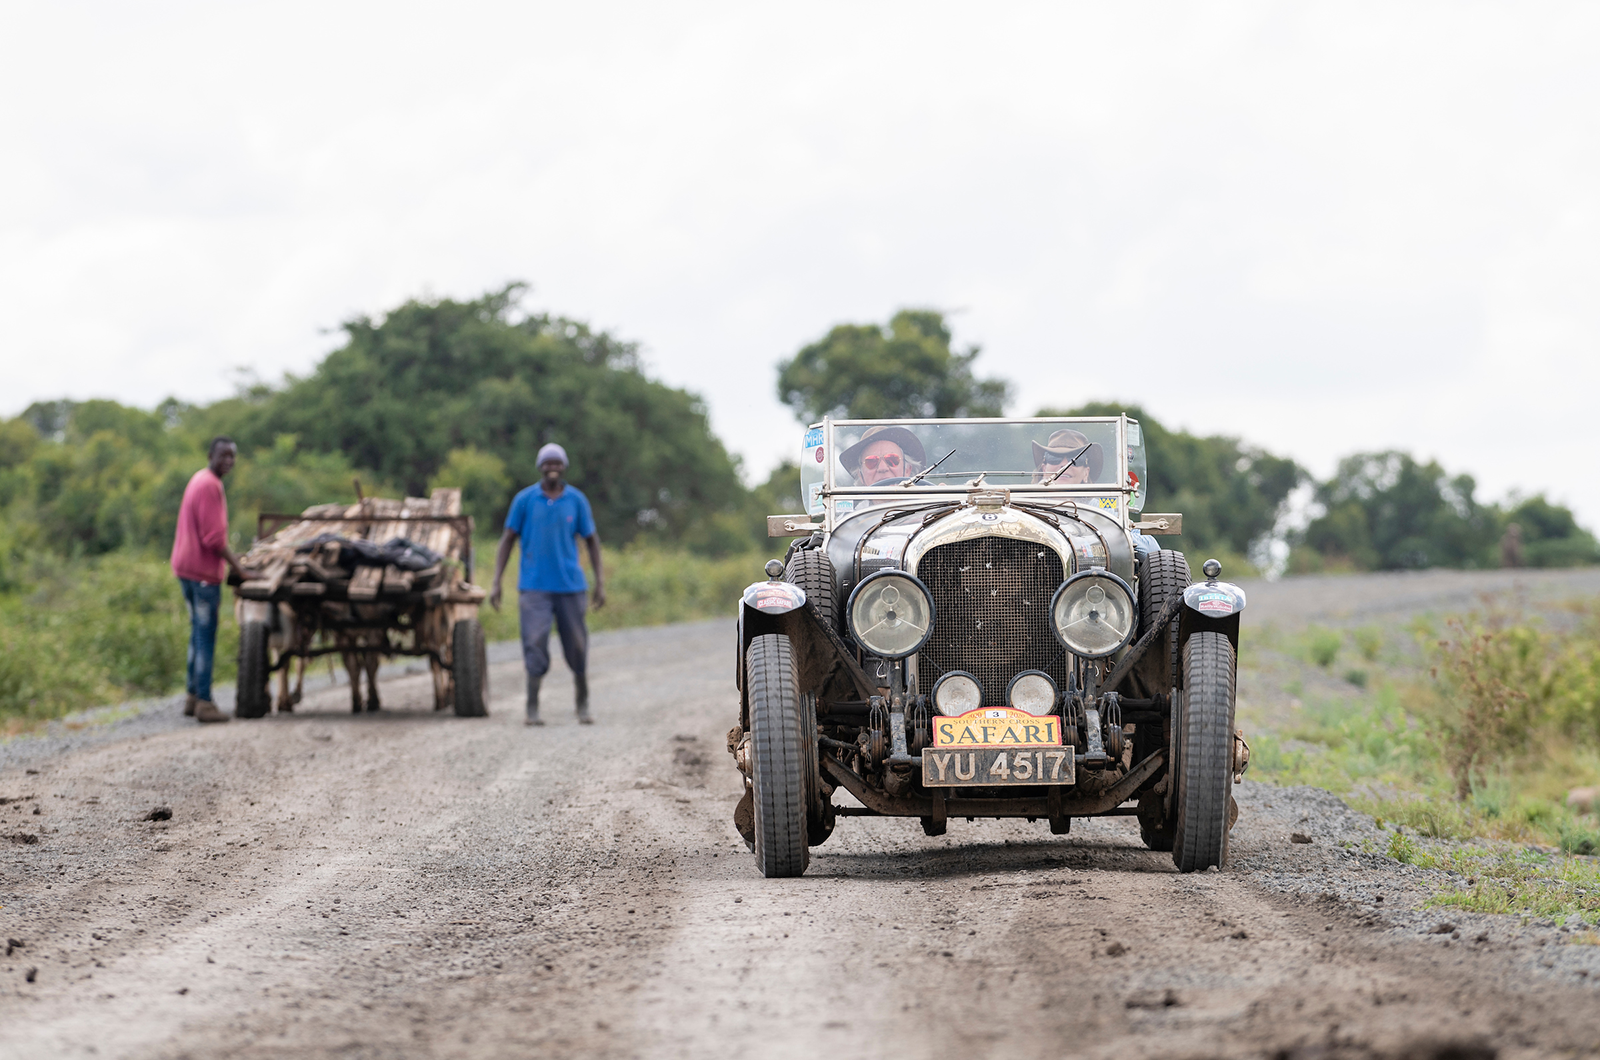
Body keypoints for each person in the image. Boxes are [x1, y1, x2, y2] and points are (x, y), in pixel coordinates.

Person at [490, 443, 606, 726]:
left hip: (570, 586)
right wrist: (496, 581)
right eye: (547, 463)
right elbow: (507, 540)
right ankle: (532, 706)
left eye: (557, 463)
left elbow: (592, 541)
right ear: (540, 466)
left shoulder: (576, 500)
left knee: (577, 644)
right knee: (534, 641)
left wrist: (599, 582)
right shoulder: (525, 500)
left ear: (564, 466)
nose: (552, 467)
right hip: (534, 586)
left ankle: (582, 701)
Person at [171, 437, 249, 723]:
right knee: (205, 637)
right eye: (224, 455)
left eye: (233, 455)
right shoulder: (210, 485)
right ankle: (204, 701)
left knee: (196, 633)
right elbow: (214, 539)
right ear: (211, 455)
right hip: (202, 574)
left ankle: (193, 697)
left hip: (186, 568)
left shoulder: (199, 478)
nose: (229, 460)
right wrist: (240, 568)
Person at [839, 425, 926, 486]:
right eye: (871, 461)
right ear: (860, 475)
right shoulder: (853, 512)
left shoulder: (928, 509)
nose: (882, 468)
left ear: (907, 470)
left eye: (892, 459)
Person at [1031, 428, 1104, 485]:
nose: (1064, 465)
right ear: (1044, 469)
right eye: (1055, 458)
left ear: (1086, 473)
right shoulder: (1025, 502)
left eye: (1076, 459)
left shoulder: (1096, 504)